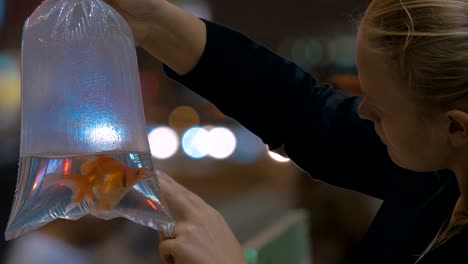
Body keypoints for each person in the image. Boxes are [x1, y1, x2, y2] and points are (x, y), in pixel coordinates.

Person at [105, 0, 468, 263]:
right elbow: (304, 112)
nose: (361, 110)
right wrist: (154, 22)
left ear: (455, 126)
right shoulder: (443, 171)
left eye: (379, 106)